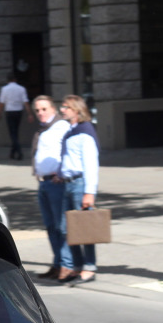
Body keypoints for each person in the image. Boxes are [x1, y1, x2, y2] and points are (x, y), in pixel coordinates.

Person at [57, 95, 100, 283]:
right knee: (68, 229)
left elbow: (91, 164)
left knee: (84, 228)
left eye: (65, 107)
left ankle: (89, 268)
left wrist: (90, 192)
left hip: (79, 184)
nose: (62, 110)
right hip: (68, 183)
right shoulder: (71, 131)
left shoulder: (85, 132)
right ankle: (77, 266)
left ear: (76, 109)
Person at [30, 95, 72, 280]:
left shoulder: (61, 126)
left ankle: (66, 265)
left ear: (53, 109)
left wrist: (61, 173)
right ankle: (57, 264)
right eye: (37, 110)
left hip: (56, 184)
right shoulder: (44, 129)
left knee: (60, 226)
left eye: (44, 109)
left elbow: (69, 150)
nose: (40, 113)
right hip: (44, 182)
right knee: (50, 226)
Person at [0, 73, 31, 160]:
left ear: (8, 80)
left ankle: (19, 151)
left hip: (9, 111)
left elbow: (1, 103)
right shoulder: (21, 88)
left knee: (12, 133)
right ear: (15, 79)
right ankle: (13, 152)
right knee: (15, 132)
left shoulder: (4, 89)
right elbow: (25, 102)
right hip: (19, 111)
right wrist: (29, 113)